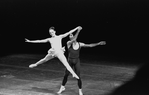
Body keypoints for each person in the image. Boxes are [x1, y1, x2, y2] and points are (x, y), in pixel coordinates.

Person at [57, 29, 106, 95]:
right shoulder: (68, 43)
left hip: (77, 61)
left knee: (78, 77)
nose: (70, 36)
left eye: (71, 35)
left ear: (74, 36)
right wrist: (78, 31)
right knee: (66, 75)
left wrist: (98, 43)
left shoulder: (80, 44)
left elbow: (90, 45)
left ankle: (80, 90)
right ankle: (62, 87)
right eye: (69, 35)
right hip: (70, 62)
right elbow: (74, 40)